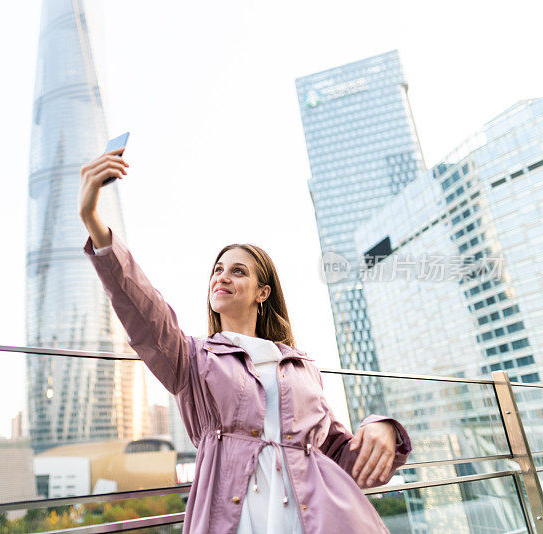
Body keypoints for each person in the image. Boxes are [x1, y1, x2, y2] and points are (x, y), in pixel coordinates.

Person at [77, 148, 412, 534]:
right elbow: (144, 310)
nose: (221, 277)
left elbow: (340, 454)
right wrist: (95, 224)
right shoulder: (192, 359)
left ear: (262, 293)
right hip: (237, 520)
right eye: (217, 270)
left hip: (320, 519)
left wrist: (383, 429)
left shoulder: (303, 367)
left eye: (237, 271)